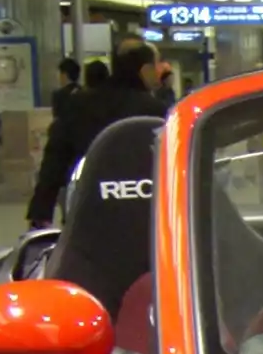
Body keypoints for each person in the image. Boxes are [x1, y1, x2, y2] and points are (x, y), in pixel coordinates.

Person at [27, 42, 163, 227]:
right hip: (142, 207)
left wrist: (41, 210)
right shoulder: (155, 111)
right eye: (157, 65)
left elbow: (55, 157)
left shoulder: (79, 104)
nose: (159, 71)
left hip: (86, 203)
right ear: (145, 70)